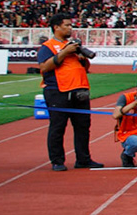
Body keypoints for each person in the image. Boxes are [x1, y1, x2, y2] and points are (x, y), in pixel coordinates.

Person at [39, 14, 100, 171]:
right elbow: (44, 67)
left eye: (70, 25)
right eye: (66, 25)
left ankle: (83, 159)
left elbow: (85, 68)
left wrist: (82, 57)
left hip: (79, 88)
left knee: (83, 126)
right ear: (56, 27)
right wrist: (65, 52)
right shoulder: (48, 46)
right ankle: (57, 160)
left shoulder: (74, 45)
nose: (70, 28)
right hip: (58, 90)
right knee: (58, 127)